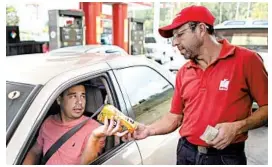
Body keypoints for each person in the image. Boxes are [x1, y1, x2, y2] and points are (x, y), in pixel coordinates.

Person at [123, 5, 268, 165]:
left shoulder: (246, 60)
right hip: (186, 153)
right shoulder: (184, 72)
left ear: (201, 29)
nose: (175, 43)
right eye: (173, 37)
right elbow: (174, 117)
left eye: (180, 35)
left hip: (226, 157)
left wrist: (238, 127)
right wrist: (148, 130)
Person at [23, 84, 127, 165]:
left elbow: (88, 164)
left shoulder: (95, 129)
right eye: (73, 96)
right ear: (59, 100)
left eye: (83, 96)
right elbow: (35, 151)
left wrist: (94, 137)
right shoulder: (48, 122)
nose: (80, 102)